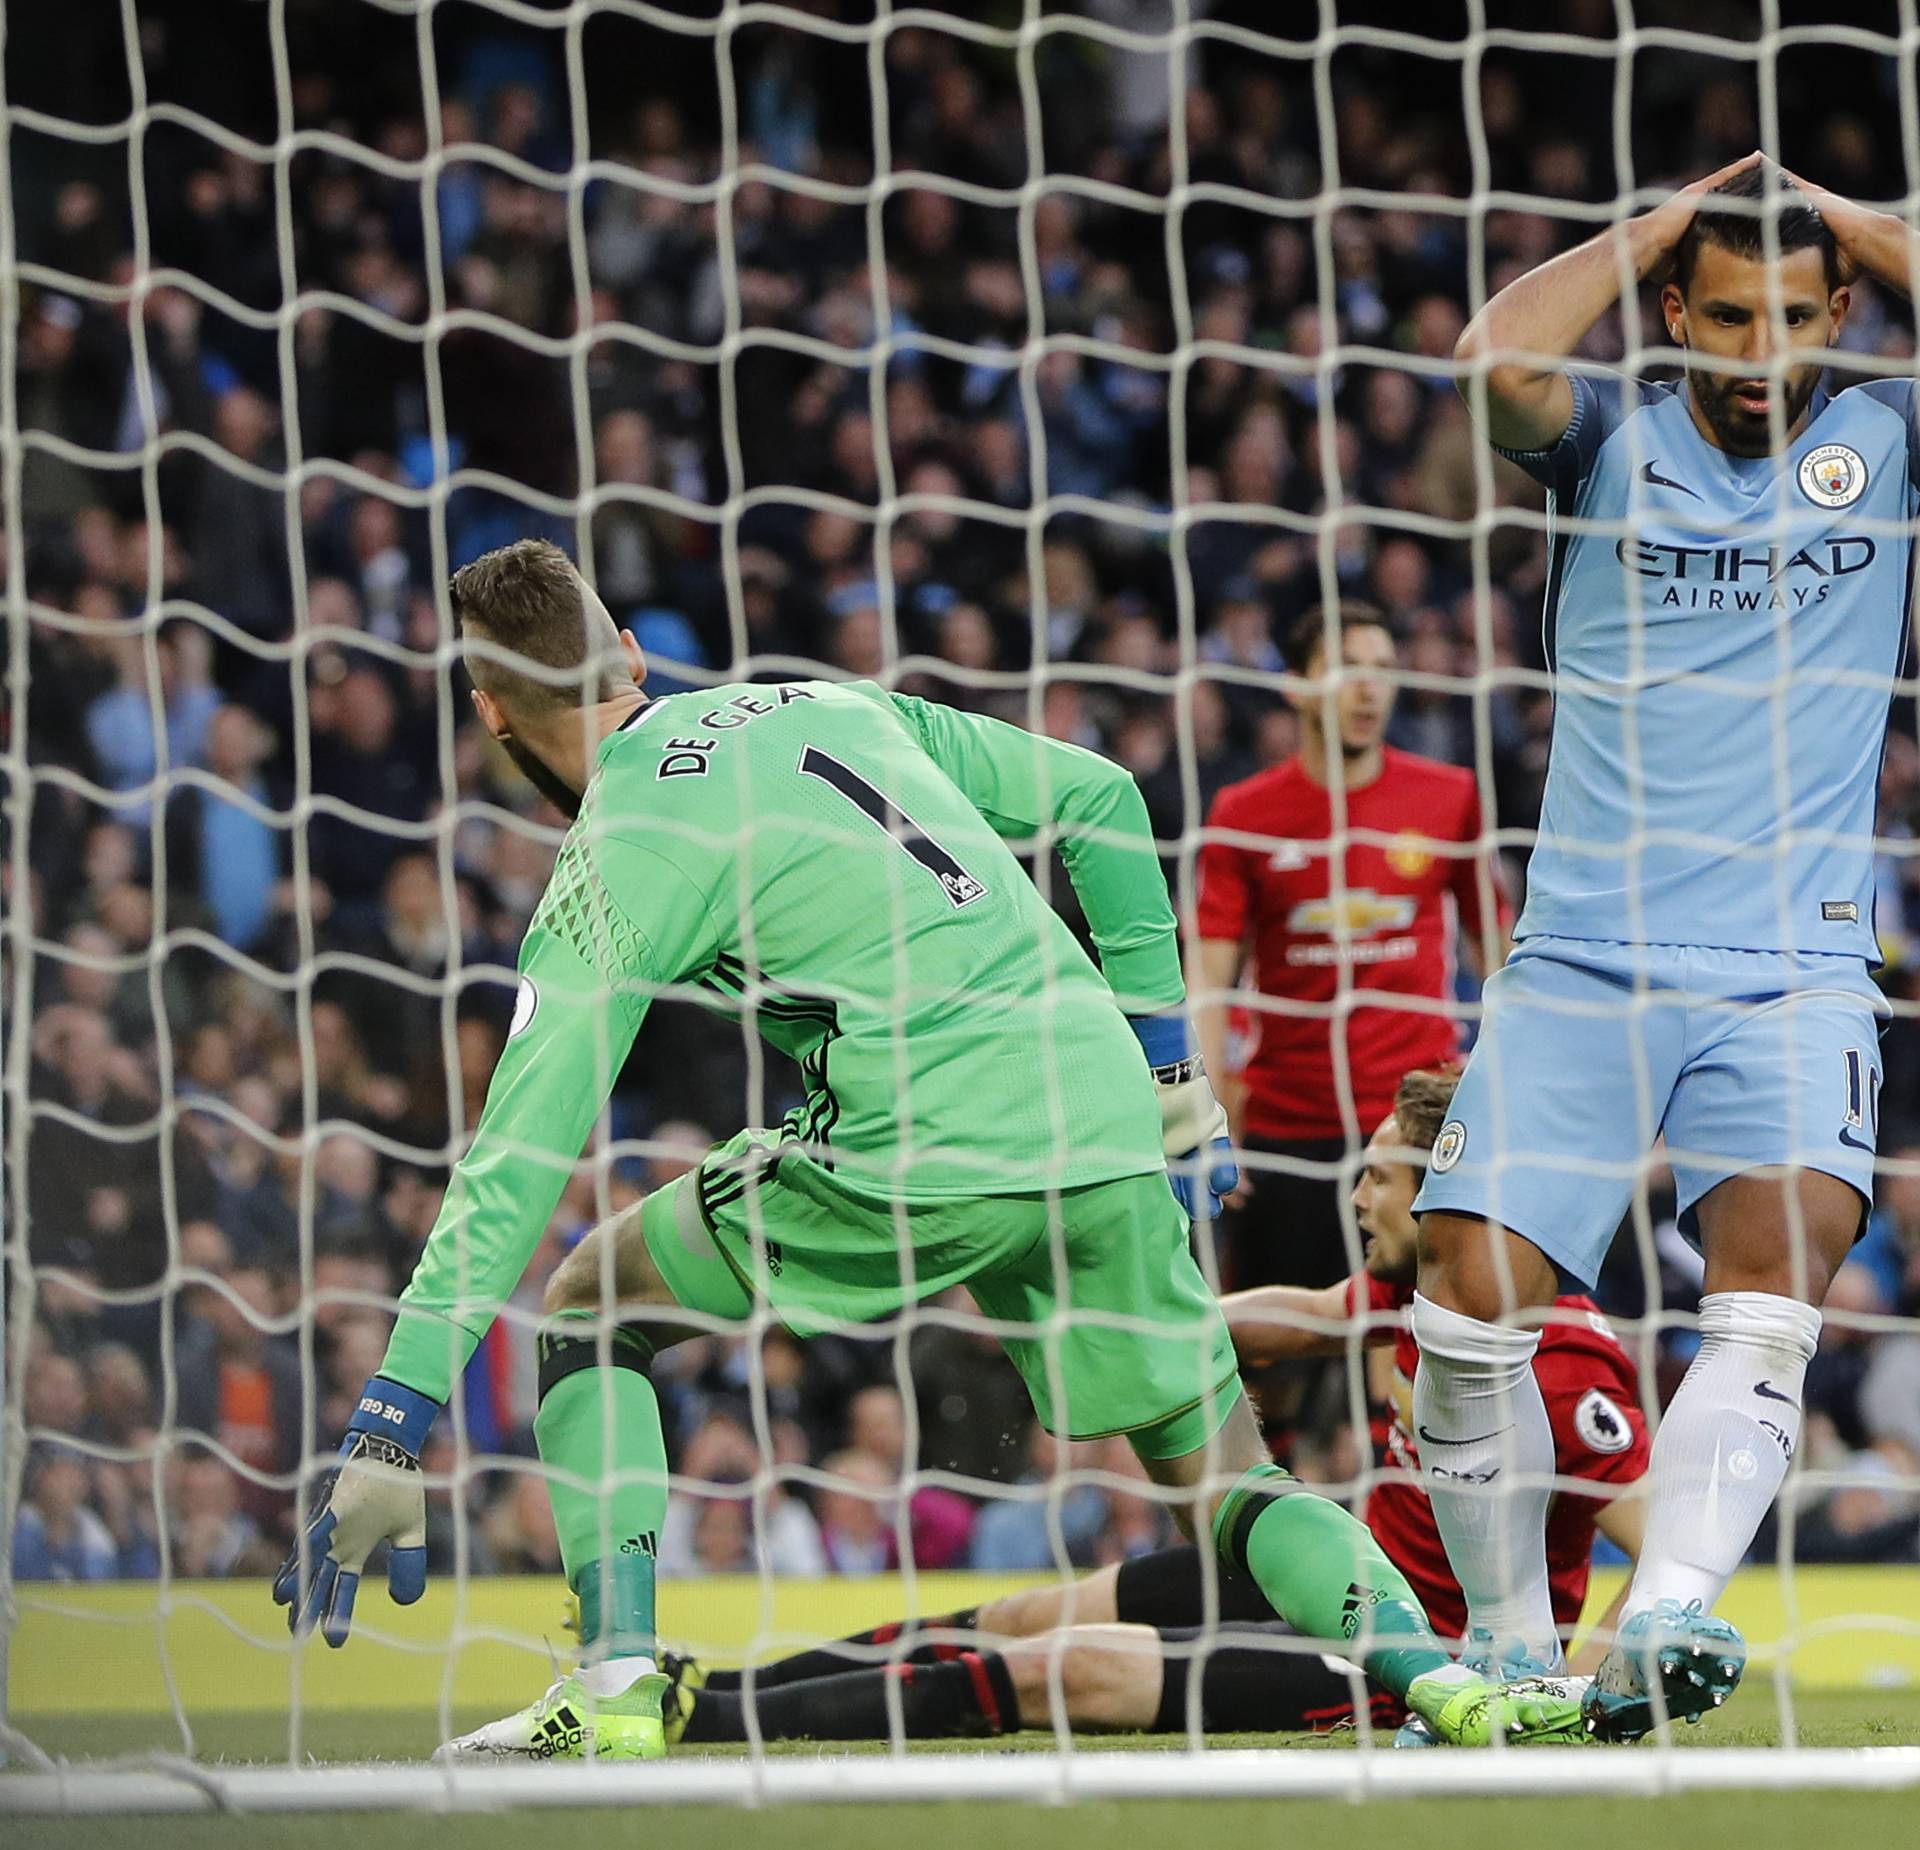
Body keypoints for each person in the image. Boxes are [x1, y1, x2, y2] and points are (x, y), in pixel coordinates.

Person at [272, 539, 1585, 1759]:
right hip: (1097, 1112)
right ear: (631, 649)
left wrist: (397, 1413)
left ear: (490, 713)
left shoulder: (616, 856)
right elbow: (1102, 796)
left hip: (919, 1141)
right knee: (1230, 1476)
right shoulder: (826, 703)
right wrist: (1172, 1072)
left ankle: (615, 1679)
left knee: (587, 1309)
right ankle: (1446, 1680)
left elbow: (519, 1150)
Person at [1413, 155, 1920, 1740]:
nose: (1760, 353)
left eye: (1791, 317)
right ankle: (1506, 1651)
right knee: (1466, 1286)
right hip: (1585, 949)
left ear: (1837, 312)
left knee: (1777, 1278)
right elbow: (1494, 362)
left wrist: (1850, 221)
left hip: (1796, 959)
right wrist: (1646, 227)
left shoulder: (1886, 444)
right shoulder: (1603, 447)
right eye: (1722, 318)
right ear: (1673, 317)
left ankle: (1669, 1614)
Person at [654, 1068, 1649, 1749]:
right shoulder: (1420, 1292)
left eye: (1379, 1177)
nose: (1355, 1196)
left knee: (1064, 1667)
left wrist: (1570, 1691)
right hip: (1331, 1576)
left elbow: (1659, 1547)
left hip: (1409, 1661)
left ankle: (705, 1728)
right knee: (1018, 1612)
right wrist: (1119, 1315)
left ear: (1451, 1190)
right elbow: (1297, 1317)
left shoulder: (1560, 1359)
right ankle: (704, 1691)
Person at [1191, 603, 1510, 1292]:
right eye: (1345, 669)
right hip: (1290, 1126)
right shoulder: (1243, 816)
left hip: (1419, 1115)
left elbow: (1501, 957)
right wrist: (1205, 1121)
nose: (1368, 689)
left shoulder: (1449, 796)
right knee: (1276, 1352)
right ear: (1298, 687)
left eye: (1381, 669)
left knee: (1417, 1338)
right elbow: (1209, 986)